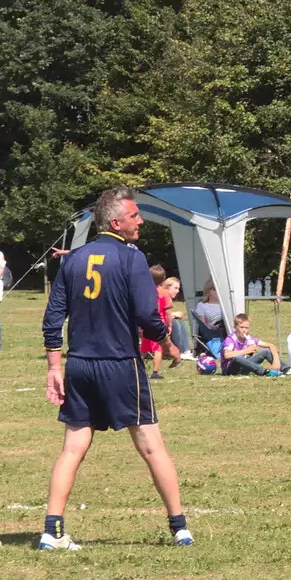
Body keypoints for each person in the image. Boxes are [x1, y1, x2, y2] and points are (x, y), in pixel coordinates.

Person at [39, 186, 189, 551]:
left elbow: (53, 317)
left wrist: (54, 365)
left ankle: (52, 531)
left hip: (80, 366)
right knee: (152, 446)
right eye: (136, 216)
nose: (140, 222)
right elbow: (146, 314)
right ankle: (180, 527)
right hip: (121, 365)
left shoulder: (73, 259)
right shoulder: (131, 258)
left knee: (72, 448)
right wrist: (169, 344)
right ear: (117, 221)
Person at [140, 265, 170, 380]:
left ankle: (139, 370)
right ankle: (155, 372)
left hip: (145, 322)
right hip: (159, 323)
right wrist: (169, 325)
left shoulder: (144, 292)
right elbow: (167, 312)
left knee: (143, 348)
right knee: (158, 348)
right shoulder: (164, 293)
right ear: (163, 279)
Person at [192, 282, 228, 356]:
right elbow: (203, 325)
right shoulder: (202, 305)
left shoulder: (225, 304)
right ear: (208, 291)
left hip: (226, 328)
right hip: (212, 332)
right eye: (214, 289)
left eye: (218, 289)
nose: (217, 291)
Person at [161, 277, 191, 357]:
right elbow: (158, 314)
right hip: (155, 323)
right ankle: (178, 350)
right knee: (175, 323)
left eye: (178, 288)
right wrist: (174, 314)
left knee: (180, 323)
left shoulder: (168, 298)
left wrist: (173, 315)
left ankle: (186, 351)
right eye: (175, 288)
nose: (178, 291)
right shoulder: (161, 296)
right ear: (167, 287)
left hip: (163, 321)